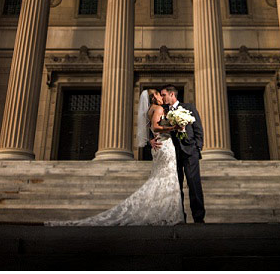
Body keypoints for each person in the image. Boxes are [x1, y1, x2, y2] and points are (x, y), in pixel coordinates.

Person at [44, 88, 185, 226]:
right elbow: (155, 127)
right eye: (160, 95)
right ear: (154, 97)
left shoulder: (149, 110)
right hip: (164, 146)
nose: (162, 97)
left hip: (159, 146)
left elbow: (150, 128)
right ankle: (167, 213)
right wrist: (174, 127)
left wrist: (151, 139)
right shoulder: (158, 109)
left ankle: (162, 211)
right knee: (167, 177)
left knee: (161, 178)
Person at [151, 85, 205, 224]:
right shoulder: (163, 110)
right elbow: (154, 127)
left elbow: (198, 128)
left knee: (194, 184)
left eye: (163, 95)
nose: (162, 98)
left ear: (172, 94)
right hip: (172, 153)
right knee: (176, 185)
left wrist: (197, 147)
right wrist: (150, 140)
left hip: (190, 151)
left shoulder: (188, 107)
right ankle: (180, 216)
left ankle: (199, 217)